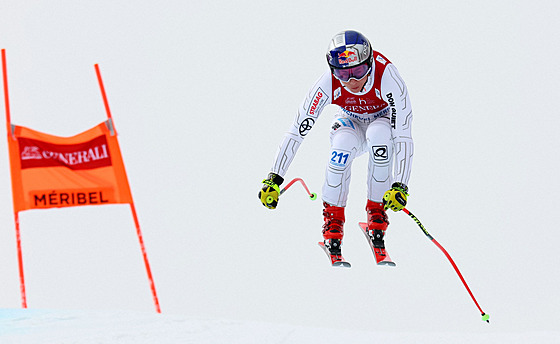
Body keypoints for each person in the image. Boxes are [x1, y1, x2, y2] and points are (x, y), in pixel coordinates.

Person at [258, 30, 413, 258]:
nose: (351, 81)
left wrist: (401, 184)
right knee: (341, 146)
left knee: (380, 136)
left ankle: (377, 215)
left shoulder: (388, 77)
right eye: (343, 74)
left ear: (369, 63)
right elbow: (297, 130)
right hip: (350, 122)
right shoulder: (326, 84)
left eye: (358, 71)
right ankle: (333, 221)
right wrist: (274, 177)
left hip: (381, 122)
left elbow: (403, 134)